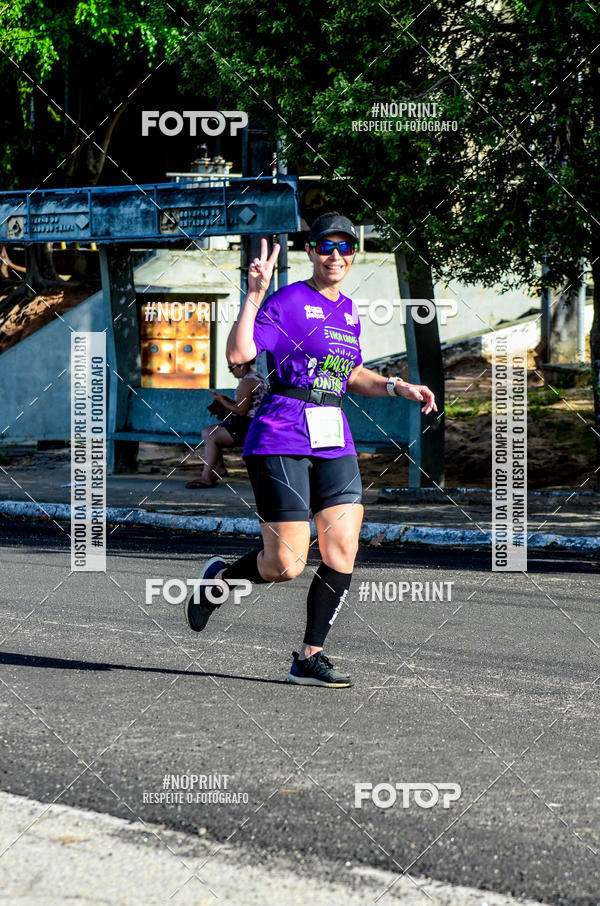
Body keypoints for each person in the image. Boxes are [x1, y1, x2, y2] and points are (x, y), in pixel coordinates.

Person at [184, 212, 437, 687]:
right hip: (281, 433)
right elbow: (239, 357)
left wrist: (400, 386)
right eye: (326, 246)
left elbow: (352, 375)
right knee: (286, 565)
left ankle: (308, 657)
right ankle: (218, 582)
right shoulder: (288, 300)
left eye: (345, 246)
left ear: (354, 253)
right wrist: (254, 295)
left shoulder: (348, 311)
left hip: (333, 435)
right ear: (311, 252)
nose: (336, 255)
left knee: (342, 549)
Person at [186, 361, 267, 489]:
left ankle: (207, 477)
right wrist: (225, 400)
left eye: (231, 368)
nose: (232, 373)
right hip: (253, 425)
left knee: (209, 434)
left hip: (247, 428)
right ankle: (218, 468)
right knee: (210, 431)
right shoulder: (257, 378)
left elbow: (241, 411)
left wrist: (221, 401)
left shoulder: (246, 383)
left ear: (242, 365)